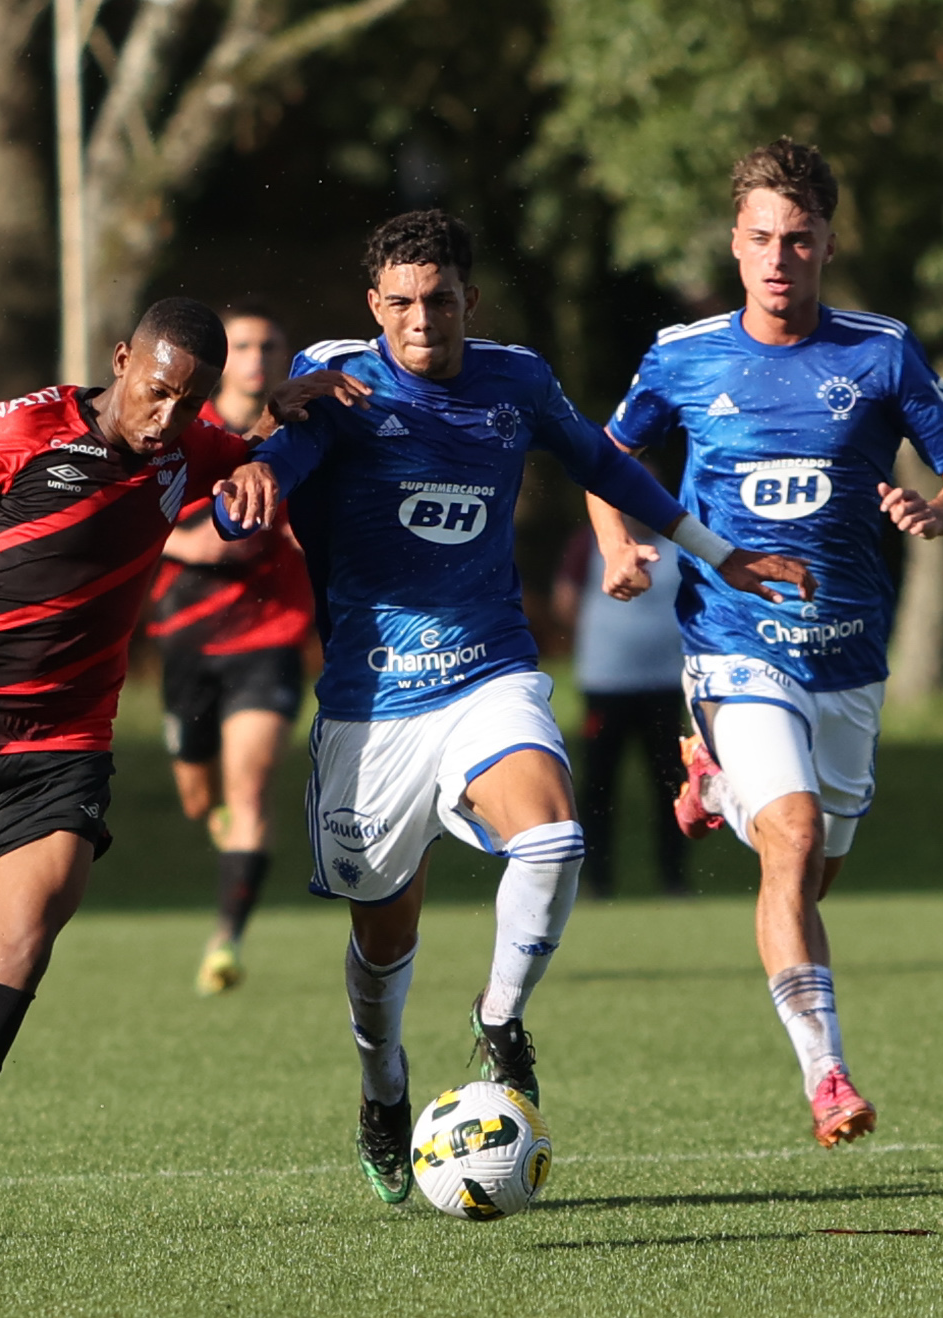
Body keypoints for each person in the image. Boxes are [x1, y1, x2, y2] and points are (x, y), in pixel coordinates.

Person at [213, 209, 814, 1204]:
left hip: (490, 671)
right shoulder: (340, 385)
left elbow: (603, 463)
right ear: (374, 307)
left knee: (554, 840)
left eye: (438, 299)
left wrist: (721, 553)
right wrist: (253, 479)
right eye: (399, 302)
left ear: (469, 300)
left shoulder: (517, 381)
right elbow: (271, 473)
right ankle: (382, 1085)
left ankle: (499, 1018)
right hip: (372, 705)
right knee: (381, 941)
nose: (420, 319)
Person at [0, 298, 355, 1246]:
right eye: (157, 391)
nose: (167, 418)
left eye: (187, 401)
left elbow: (234, 444)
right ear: (121, 360)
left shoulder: (187, 445)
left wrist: (279, 412)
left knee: (23, 946)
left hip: (63, 743)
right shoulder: (23, 427)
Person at [595, 138, 943, 1148]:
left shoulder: (882, 350)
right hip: (733, 646)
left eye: (801, 240)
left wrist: (939, 514)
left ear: (828, 245)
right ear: (736, 244)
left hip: (849, 658)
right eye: (763, 238)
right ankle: (827, 1075)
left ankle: (718, 788)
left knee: (808, 870)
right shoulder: (683, 355)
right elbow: (603, 455)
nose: (780, 258)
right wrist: (621, 545)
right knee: (799, 836)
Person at [147, 305, 314, 995]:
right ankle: (215, 816)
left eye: (268, 344)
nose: (254, 356)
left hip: (269, 637)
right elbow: (131, 519)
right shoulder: (180, 428)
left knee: (251, 790)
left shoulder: (302, 436)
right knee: (198, 797)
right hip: (185, 642)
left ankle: (225, 942)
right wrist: (193, 543)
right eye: (241, 344)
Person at [551, 499, 688, 899]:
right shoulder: (591, 544)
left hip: (665, 683)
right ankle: (597, 881)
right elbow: (565, 599)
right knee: (599, 787)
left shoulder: (678, 547)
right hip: (606, 684)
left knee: (670, 786)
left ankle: (673, 878)